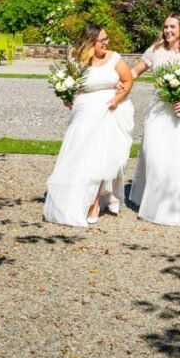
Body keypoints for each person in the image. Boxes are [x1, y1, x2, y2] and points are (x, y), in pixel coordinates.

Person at [44, 25, 135, 227]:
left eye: (106, 39)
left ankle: (94, 203)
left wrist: (117, 98)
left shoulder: (114, 58)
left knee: (102, 158)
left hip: (110, 113)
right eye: (102, 40)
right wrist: (67, 99)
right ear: (90, 42)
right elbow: (69, 87)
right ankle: (75, 197)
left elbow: (128, 81)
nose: (106, 43)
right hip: (85, 115)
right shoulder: (78, 62)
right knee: (80, 157)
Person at [128, 13, 180, 226]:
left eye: (172, 27)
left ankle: (176, 208)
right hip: (159, 110)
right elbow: (135, 72)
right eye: (165, 27)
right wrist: (118, 82)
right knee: (154, 155)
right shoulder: (155, 51)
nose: (168, 31)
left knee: (179, 157)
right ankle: (155, 202)